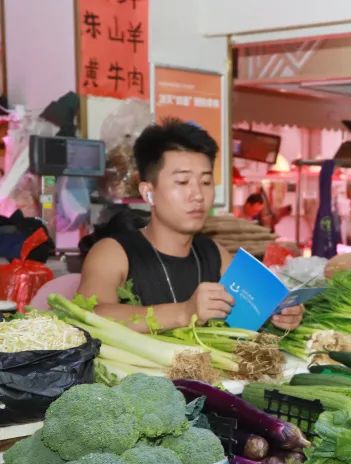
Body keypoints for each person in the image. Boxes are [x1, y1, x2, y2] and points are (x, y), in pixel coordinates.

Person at [78, 119, 303, 332]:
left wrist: (284, 312)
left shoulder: (215, 253)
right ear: (149, 192)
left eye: (205, 182)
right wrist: (184, 312)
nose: (197, 195)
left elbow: (260, 305)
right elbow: (89, 315)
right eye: (182, 182)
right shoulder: (113, 253)